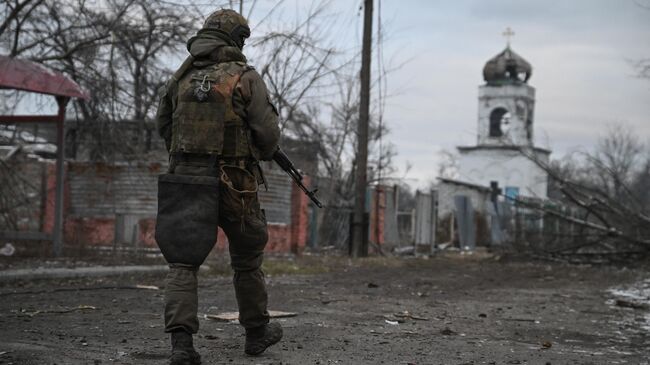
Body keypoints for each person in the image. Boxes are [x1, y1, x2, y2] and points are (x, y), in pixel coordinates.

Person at [155, 8, 282, 365]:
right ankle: (256, 333)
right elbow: (268, 135)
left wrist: (186, 159)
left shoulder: (180, 78)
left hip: (186, 180)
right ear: (235, 38)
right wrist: (255, 152)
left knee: (182, 262)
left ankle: (181, 347)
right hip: (235, 183)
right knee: (246, 259)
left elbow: (163, 124)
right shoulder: (244, 78)